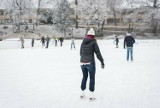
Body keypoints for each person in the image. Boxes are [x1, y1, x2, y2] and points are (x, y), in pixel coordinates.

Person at [80, 28, 105, 100]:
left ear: (87, 35)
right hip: (90, 62)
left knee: (84, 77)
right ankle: (91, 95)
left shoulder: (83, 41)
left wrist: (83, 59)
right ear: (93, 35)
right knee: (92, 78)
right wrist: (102, 61)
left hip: (82, 62)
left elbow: (80, 52)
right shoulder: (94, 42)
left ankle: (82, 93)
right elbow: (98, 53)